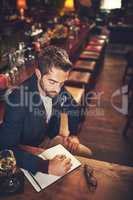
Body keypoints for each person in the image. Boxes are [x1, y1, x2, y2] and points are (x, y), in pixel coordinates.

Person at [0, 46, 91, 176]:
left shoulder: (56, 85)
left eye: (61, 83)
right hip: (27, 150)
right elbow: (6, 148)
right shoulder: (18, 99)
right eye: (52, 82)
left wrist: (73, 134)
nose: (58, 90)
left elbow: (72, 106)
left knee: (87, 154)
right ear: (38, 74)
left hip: (48, 138)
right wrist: (45, 166)